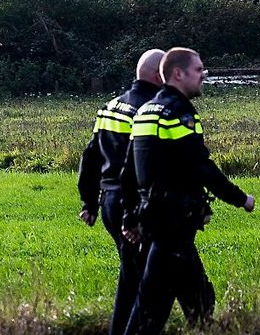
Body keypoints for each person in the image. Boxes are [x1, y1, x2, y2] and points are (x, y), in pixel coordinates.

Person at [120, 47, 255, 335]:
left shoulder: (145, 111)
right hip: (173, 222)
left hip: (155, 219)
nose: (203, 75)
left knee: (198, 298)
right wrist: (240, 199)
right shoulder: (177, 113)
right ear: (178, 74)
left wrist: (130, 216)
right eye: (198, 70)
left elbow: (129, 171)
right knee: (151, 306)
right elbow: (200, 166)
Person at [78, 49, 166, 335]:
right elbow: (142, 166)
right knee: (143, 278)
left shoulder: (110, 106)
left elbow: (90, 156)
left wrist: (89, 202)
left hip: (108, 203)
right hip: (134, 204)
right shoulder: (149, 110)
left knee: (132, 273)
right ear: (158, 75)